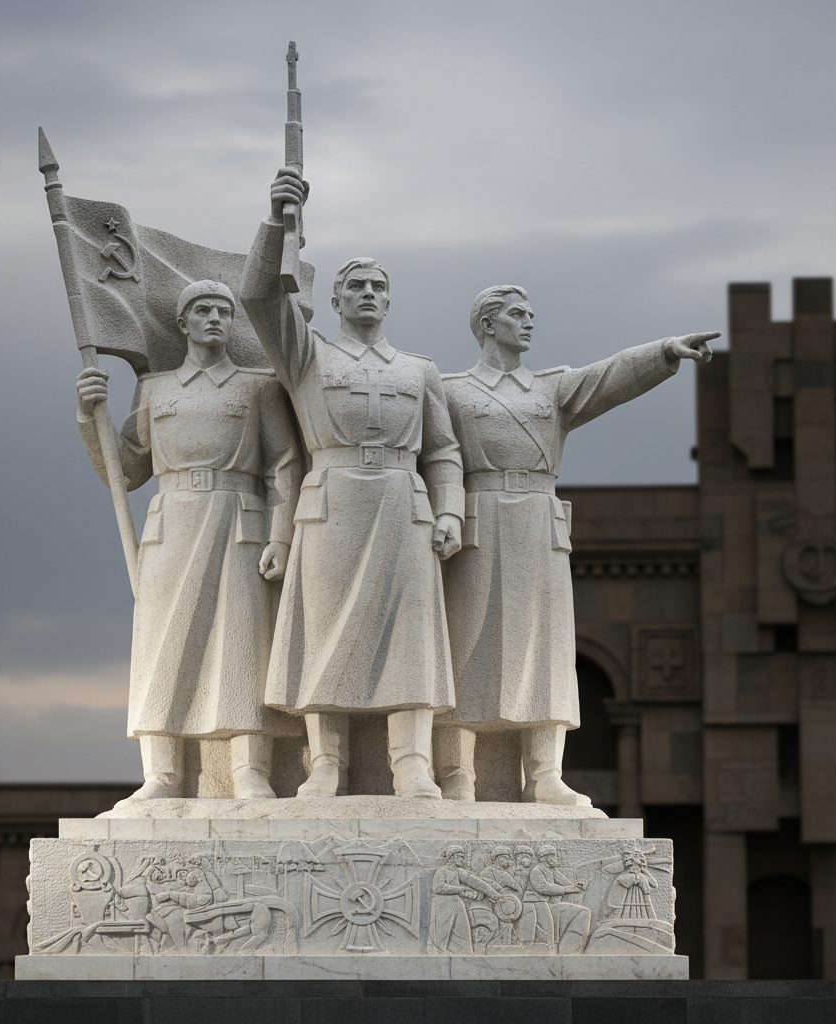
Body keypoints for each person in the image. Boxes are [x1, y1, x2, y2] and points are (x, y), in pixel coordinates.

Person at [435, 285, 717, 804]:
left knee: (545, 646)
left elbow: (609, 377)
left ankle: (544, 773)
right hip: (479, 520)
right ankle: (457, 773)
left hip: (540, 525)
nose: (528, 322)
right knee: (464, 643)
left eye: (530, 314)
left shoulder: (551, 388)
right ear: (487, 324)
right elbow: (439, 459)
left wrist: (665, 350)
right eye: (517, 314)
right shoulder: (452, 390)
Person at [239, 169, 465, 799]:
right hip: (333, 502)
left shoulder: (420, 370)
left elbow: (443, 449)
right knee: (325, 630)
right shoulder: (309, 357)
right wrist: (278, 218)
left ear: (389, 302)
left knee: (412, 633)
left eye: (378, 286)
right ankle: (326, 764)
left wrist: (451, 512)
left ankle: (411, 762)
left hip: (402, 503)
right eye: (356, 285)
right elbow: (258, 299)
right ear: (336, 301)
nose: (368, 292)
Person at [76, 281, 302, 802]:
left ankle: (250, 769)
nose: (215, 319)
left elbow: (283, 467)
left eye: (224, 311)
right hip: (172, 523)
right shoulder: (156, 389)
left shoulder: (257, 386)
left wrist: (281, 535)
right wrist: (93, 419)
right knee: (161, 645)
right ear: (183, 323)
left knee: (244, 644)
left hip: (239, 519)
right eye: (203, 310)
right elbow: (127, 468)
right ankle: (163, 772)